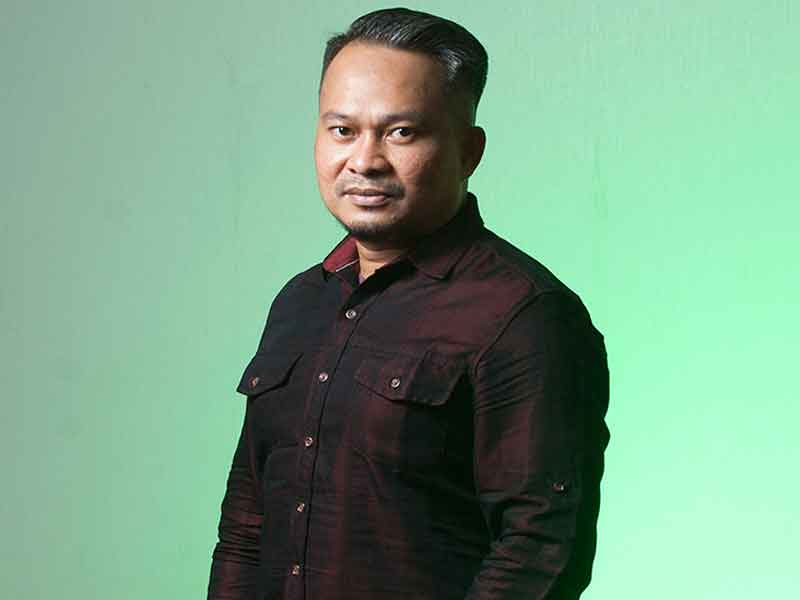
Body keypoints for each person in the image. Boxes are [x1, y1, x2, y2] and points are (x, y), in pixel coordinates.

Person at [207, 7, 609, 600]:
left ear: (468, 151)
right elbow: (247, 523)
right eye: (342, 130)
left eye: (401, 133)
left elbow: (541, 551)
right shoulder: (300, 302)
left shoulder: (525, 316)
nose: (364, 161)